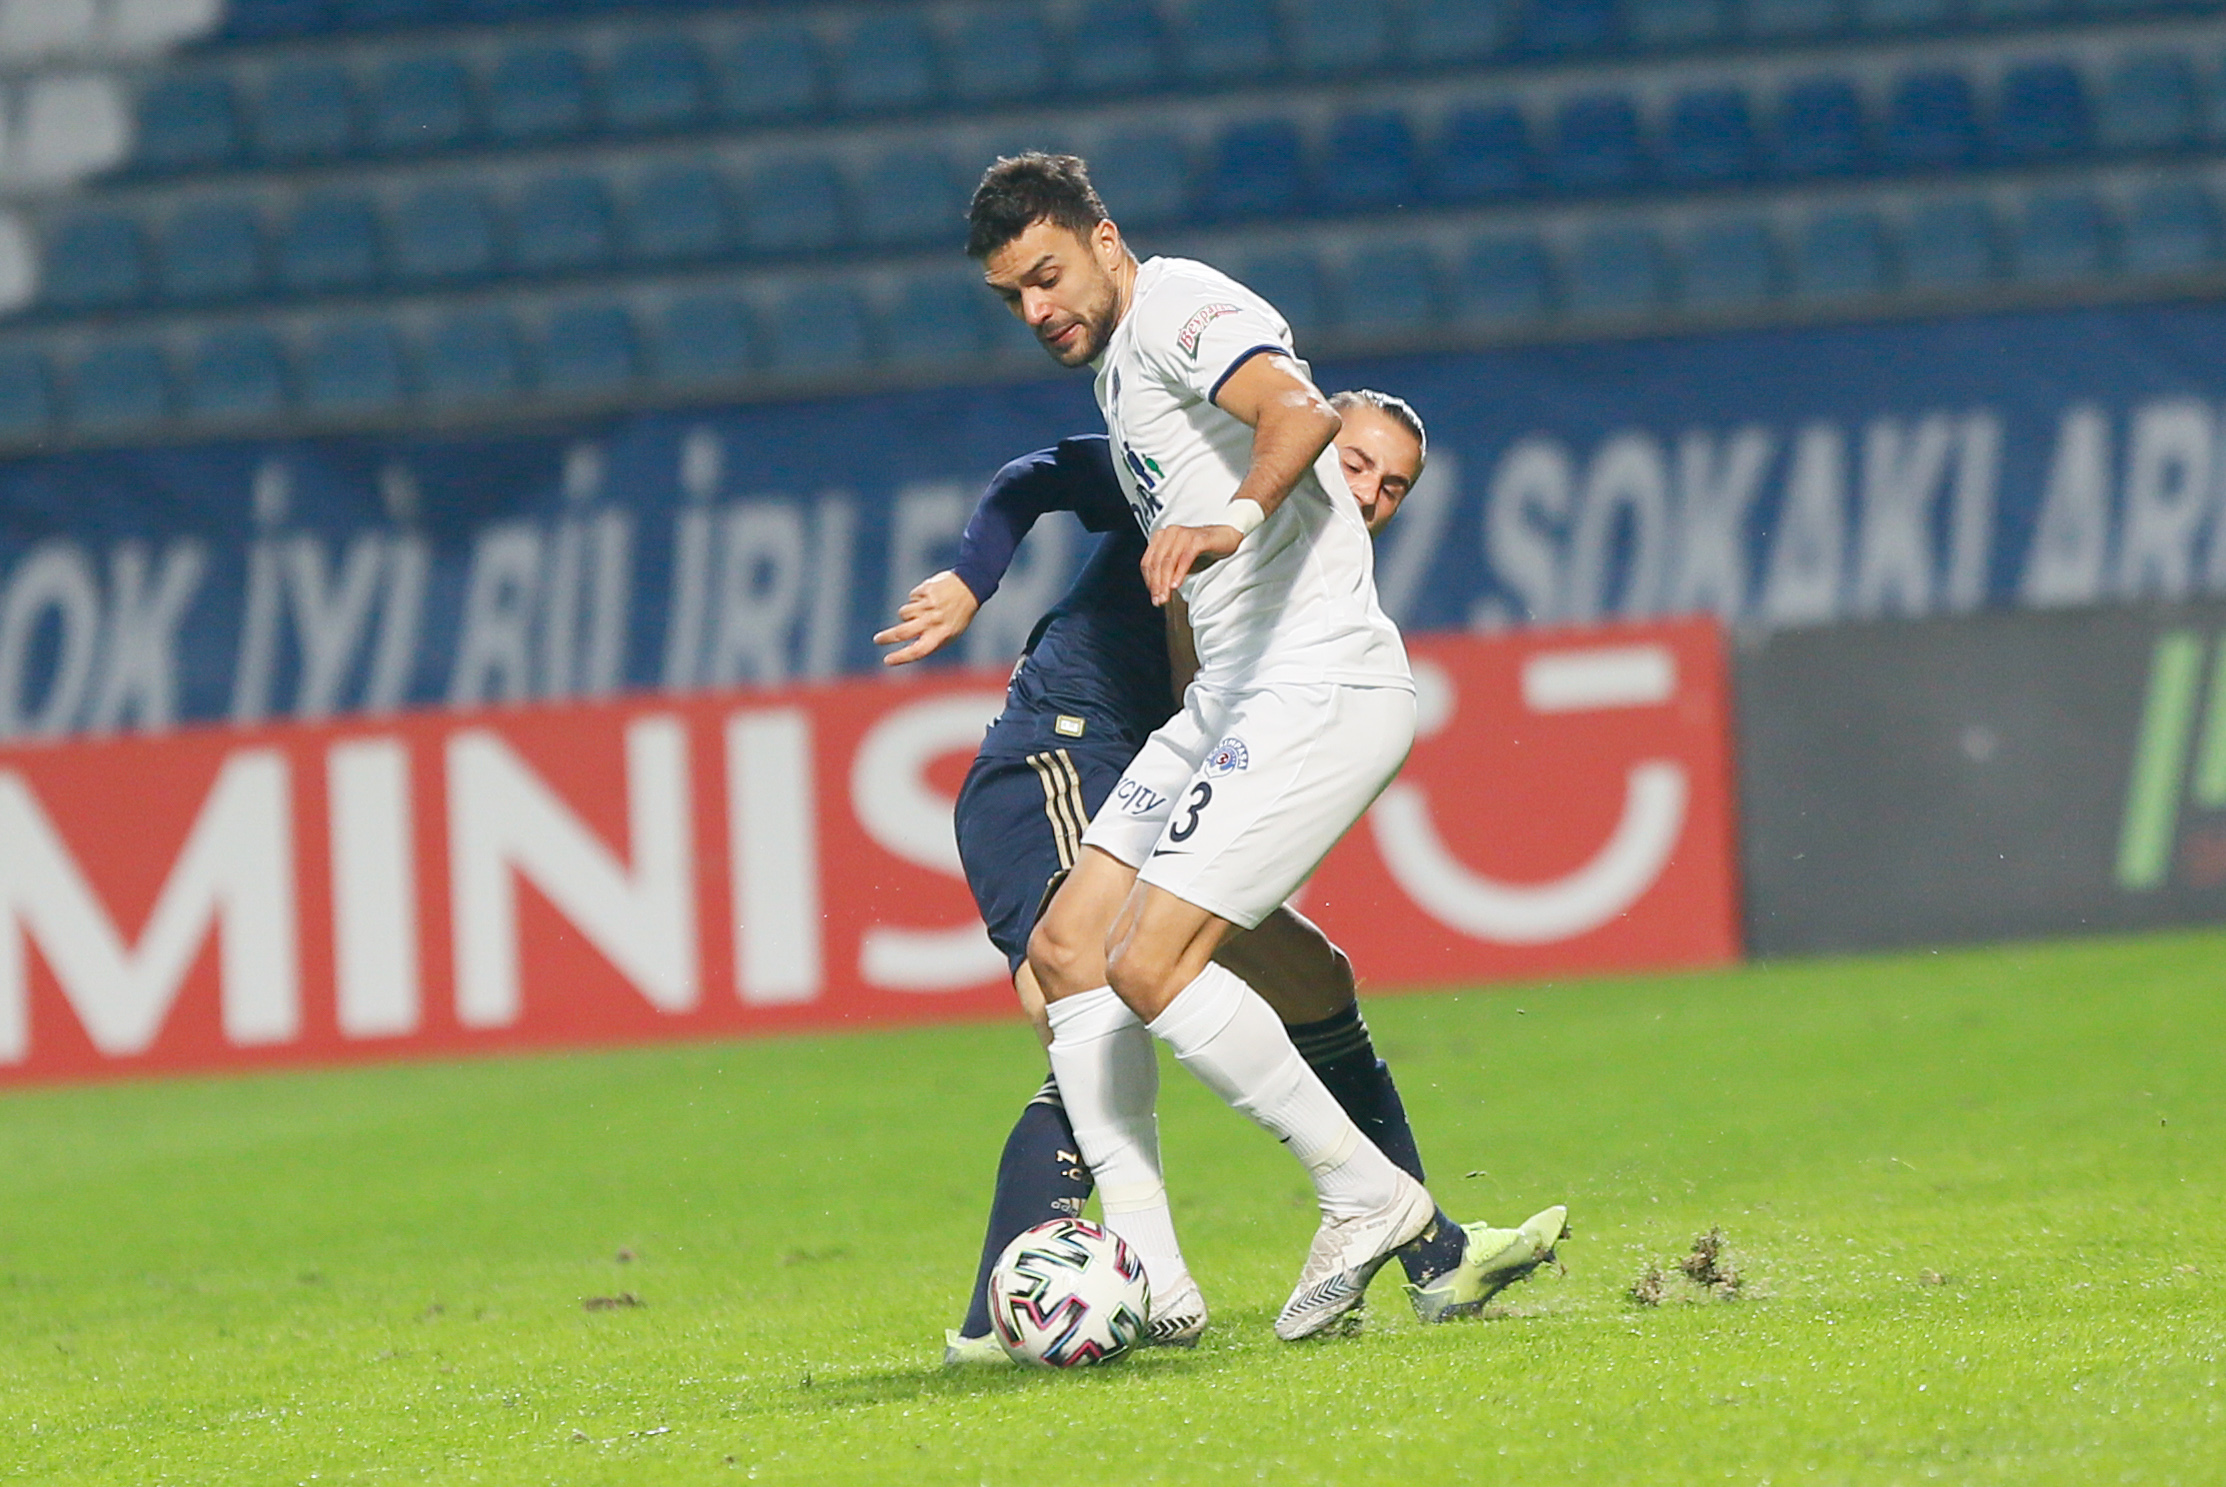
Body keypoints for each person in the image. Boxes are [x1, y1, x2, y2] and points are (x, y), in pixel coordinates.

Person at [965, 153, 1561, 1342]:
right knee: (1074, 947)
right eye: (1012, 295)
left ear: (1105, 239)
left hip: (1312, 681)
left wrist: (1233, 517)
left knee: (1151, 962)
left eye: (1048, 275)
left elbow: (1300, 410)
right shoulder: (1121, 373)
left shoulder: (1178, 303)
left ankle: (1368, 1197)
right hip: (1229, 698)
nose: (1036, 309)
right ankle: (1156, 1272)